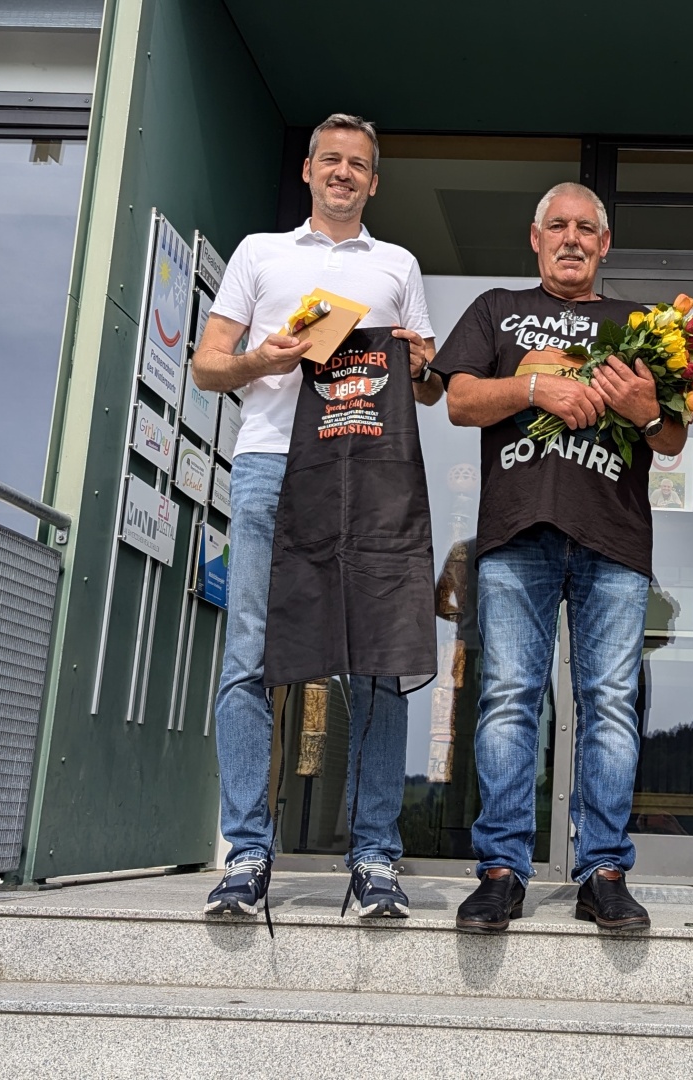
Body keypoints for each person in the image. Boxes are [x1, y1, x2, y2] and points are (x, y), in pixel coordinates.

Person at [192, 113, 440, 921]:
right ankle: (247, 853)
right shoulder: (260, 253)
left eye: (357, 164)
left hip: (369, 473)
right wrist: (260, 358)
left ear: (375, 181)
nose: (342, 173)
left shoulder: (398, 264)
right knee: (249, 657)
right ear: (307, 171)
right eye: (330, 160)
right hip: (270, 466)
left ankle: (373, 858)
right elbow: (205, 367)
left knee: (378, 661)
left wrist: (426, 366)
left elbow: (427, 386)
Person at [431, 181, 690, 933]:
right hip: (516, 533)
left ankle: (603, 872)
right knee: (510, 695)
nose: (571, 238)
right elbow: (459, 402)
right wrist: (536, 386)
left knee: (609, 703)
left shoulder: (641, 324)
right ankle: (502, 872)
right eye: (558, 226)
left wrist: (643, 409)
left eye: (585, 228)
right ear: (535, 237)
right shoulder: (496, 309)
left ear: (604, 244)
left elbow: (673, 436)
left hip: (614, 536)